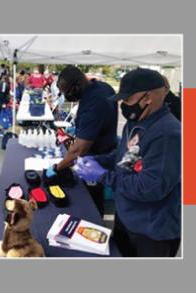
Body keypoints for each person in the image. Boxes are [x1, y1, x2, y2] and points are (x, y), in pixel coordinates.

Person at [74, 68, 181, 257]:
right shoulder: (137, 121)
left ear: (147, 97)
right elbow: (125, 156)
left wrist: (103, 176)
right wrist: (101, 160)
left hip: (152, 232)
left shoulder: (167, 134)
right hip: (126, 217)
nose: (124, 105)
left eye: (128, 99)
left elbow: (150, 188)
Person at [52, 65, 118, 215]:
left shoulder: (94, 102)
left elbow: (79, 149)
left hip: (95, 159)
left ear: (78, 85)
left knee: (91, 203)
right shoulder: (102, 87)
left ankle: (94, 223)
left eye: (67, 92)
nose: (66, 96)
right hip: (104, 151)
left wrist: (57, 168)